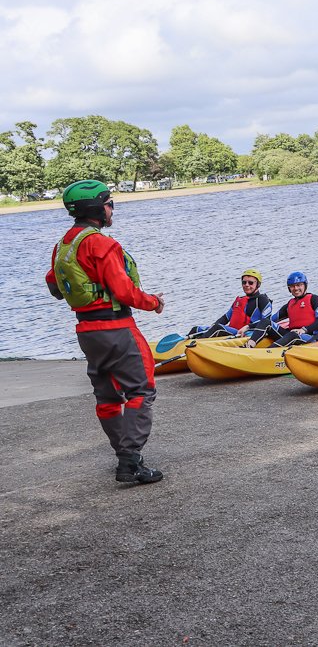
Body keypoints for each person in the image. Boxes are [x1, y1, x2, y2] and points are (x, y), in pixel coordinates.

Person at [44, 179, 165, 484]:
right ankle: (130, 460)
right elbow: (124, 291)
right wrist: (154, 303)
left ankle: (125, 457)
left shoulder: (64, 245)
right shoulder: (102, 243)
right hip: (116, 327)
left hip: (87, 331)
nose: (112, 208)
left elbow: (54, 286)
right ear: (97, 208)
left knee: (108, 396)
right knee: (141, 389)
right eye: (109, 203)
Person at [248, 272, 318, 347]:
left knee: (293, 335)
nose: (295, 288)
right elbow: (271, 319)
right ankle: (249, 345)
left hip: (309, 336)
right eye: (292, 286)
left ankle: (267, 352)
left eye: (299, 285)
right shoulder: (290, 304)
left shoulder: (314, 299)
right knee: (266, 321)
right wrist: (248, 327)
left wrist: (304, 330)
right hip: (291, 335)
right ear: (289, 288)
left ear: (305, 285)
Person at [190, 269, 272, 339]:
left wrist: (248, 327)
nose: (246, 285)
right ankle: (183, 348)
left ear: (258, 284)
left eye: (250, 283)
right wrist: (212, 326)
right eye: (244, 282)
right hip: (233, 330)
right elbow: (225, 318)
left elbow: (266, 321)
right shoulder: (239, 301)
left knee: (217, 328)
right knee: (196, 329)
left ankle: (197, 346)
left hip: (247, 333)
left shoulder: (263, 300)